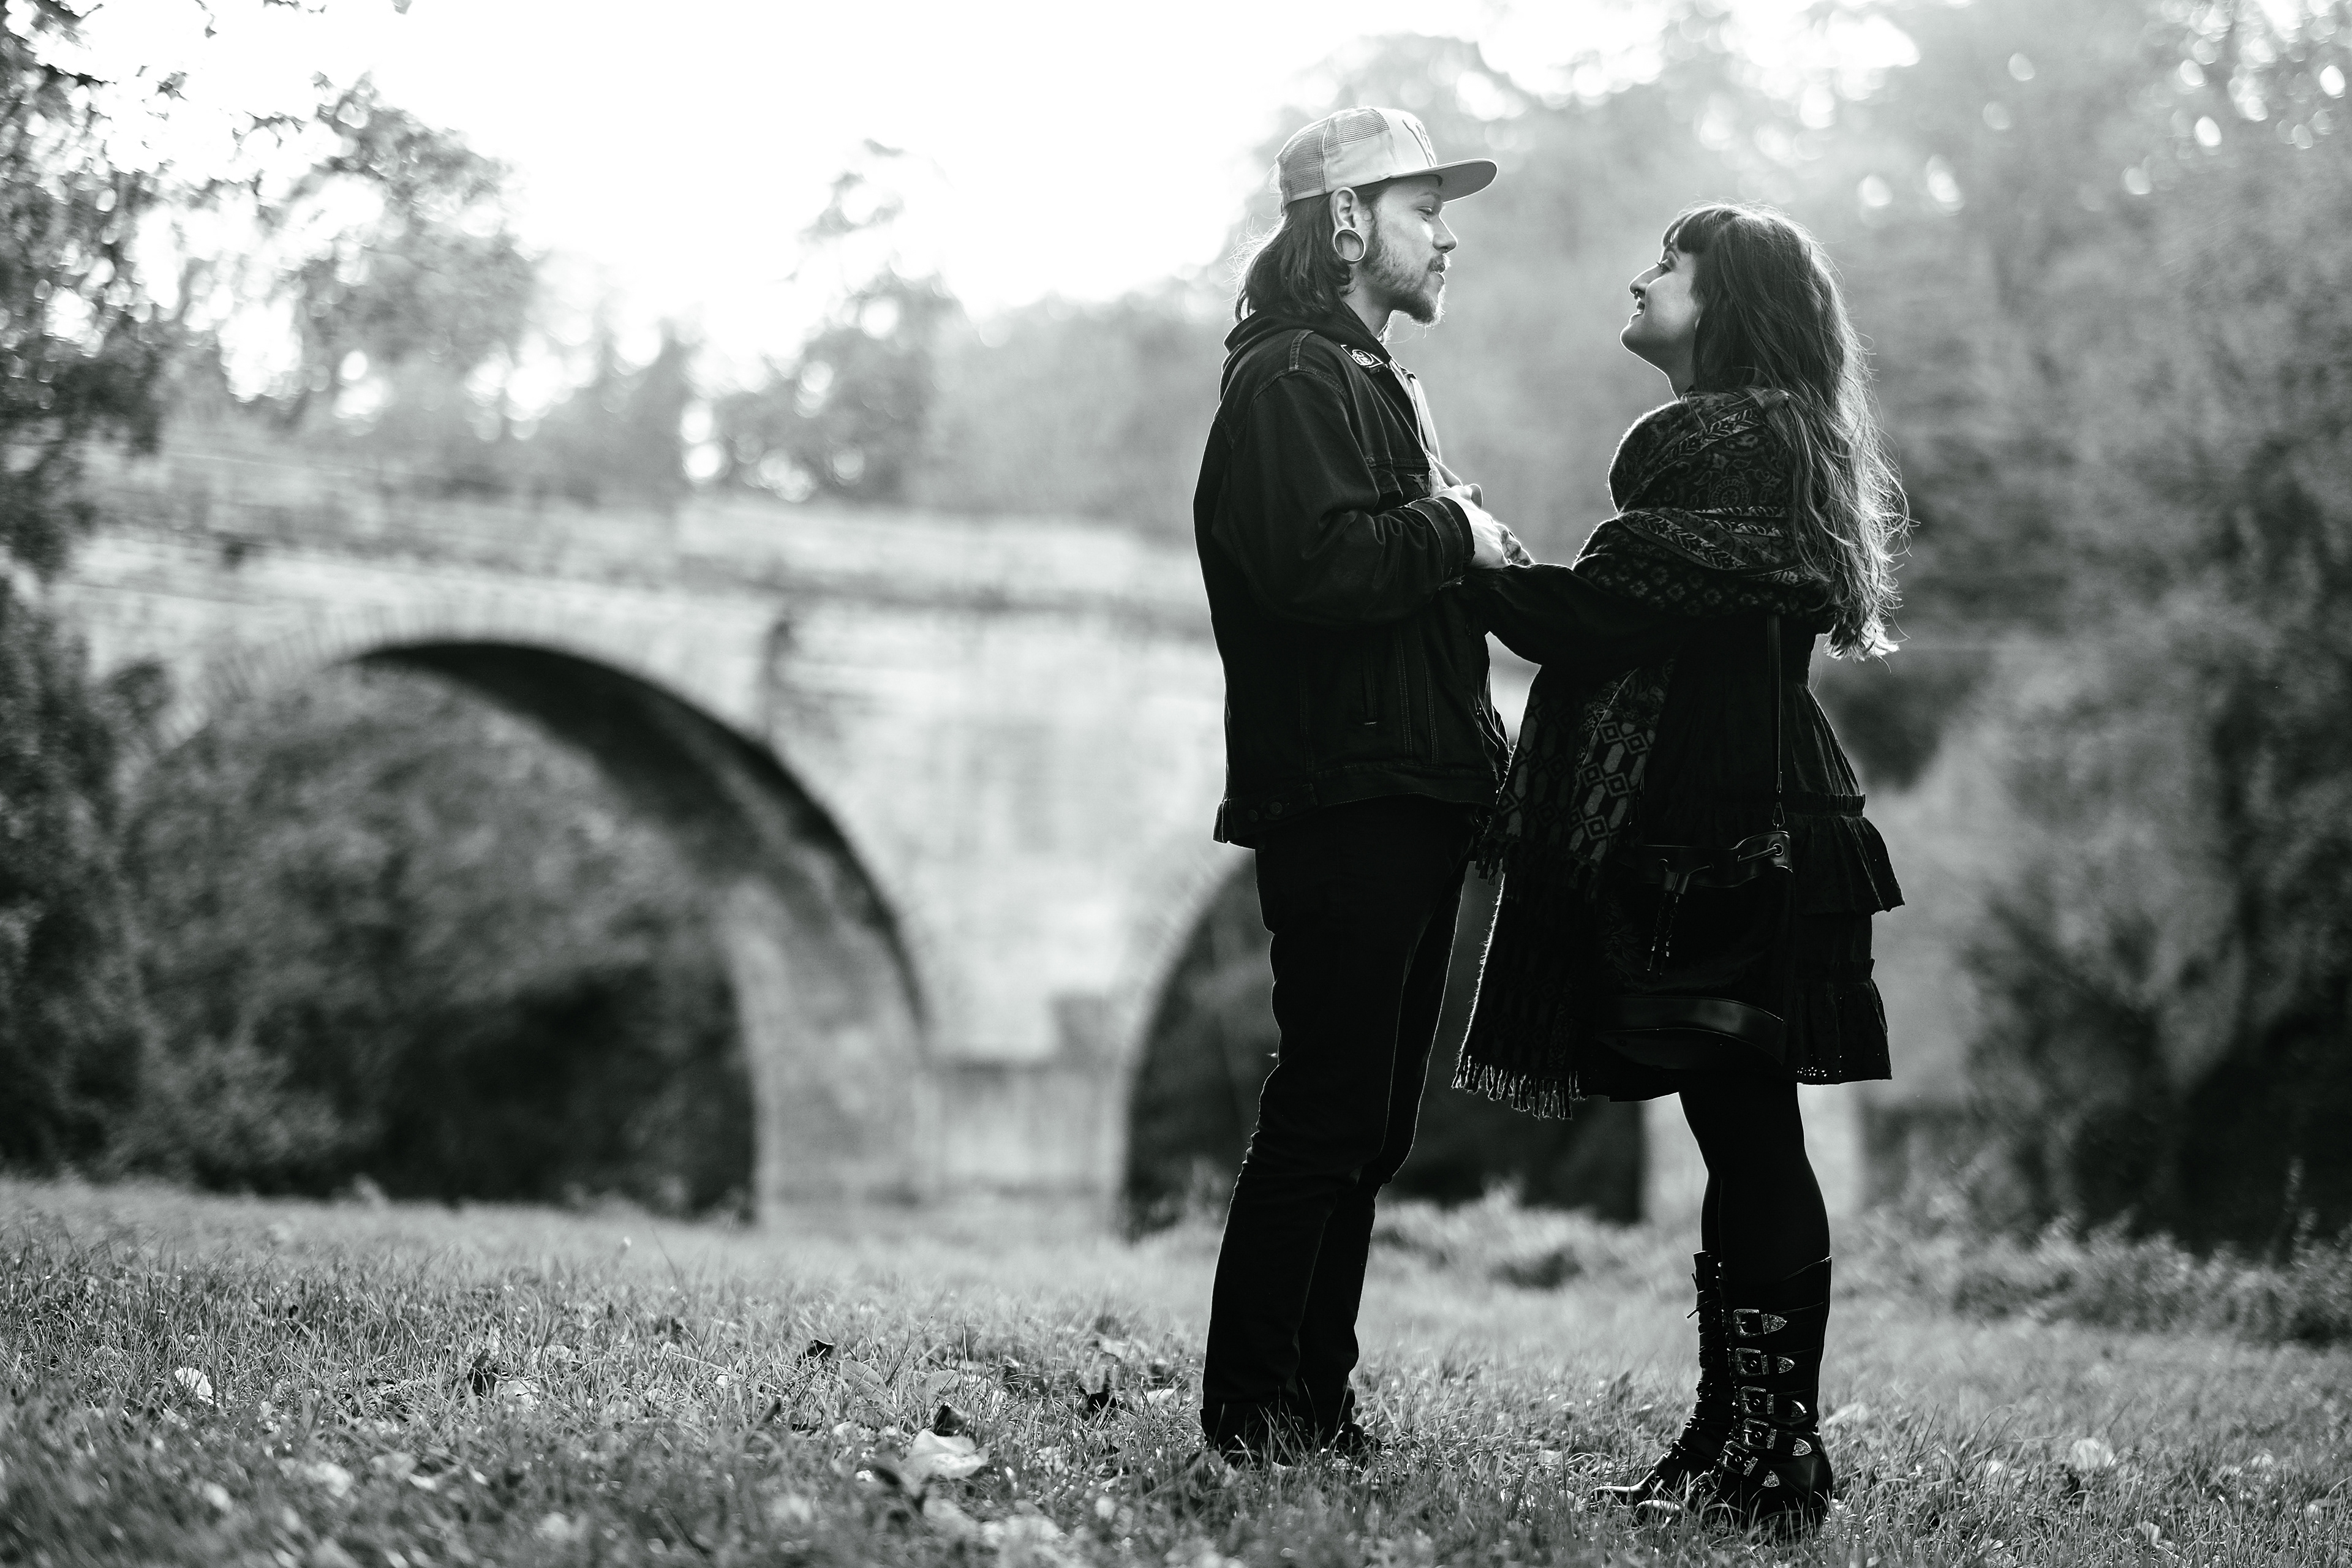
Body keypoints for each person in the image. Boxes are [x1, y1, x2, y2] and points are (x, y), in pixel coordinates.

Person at [1452, 203, 1906, 1532]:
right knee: (1740, 1125)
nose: (1639, 277)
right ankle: (1738, 1437)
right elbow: (1631, 612)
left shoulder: (1732, 443)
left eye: (1670, 267)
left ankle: (1773, 1459)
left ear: (1729, 303)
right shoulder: (1772, 444)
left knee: (1751, 1127)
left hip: (1728, 828)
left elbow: (1593, 622)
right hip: (1760, 810)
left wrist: (1473, 554)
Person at [1189, 106, 1524, 1463]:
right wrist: (1452, 525)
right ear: (1343, 223)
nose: (1446, 234)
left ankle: (1313, 1403)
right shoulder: (1289, 381)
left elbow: (1382, 569)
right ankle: (1256, 1407)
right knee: (1329, 1106)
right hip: (1345, 793)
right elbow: (1317, 571)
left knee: (1371, 1120)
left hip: (1404, 788)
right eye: (1420, 205)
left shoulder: (1363, 377)